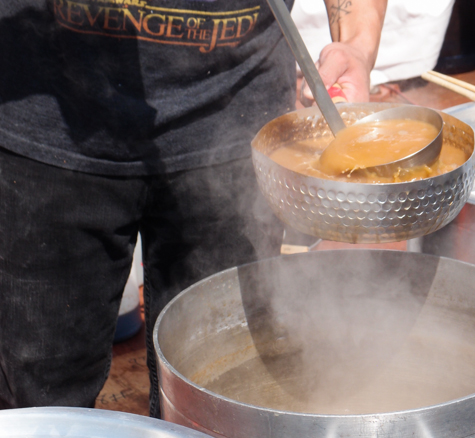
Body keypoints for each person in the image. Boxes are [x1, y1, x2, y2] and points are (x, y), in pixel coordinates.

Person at [0, 0, 386, 417]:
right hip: (45, 131)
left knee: (219, 401)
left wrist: (357, 45)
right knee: (42, 405)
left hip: (234, 126)